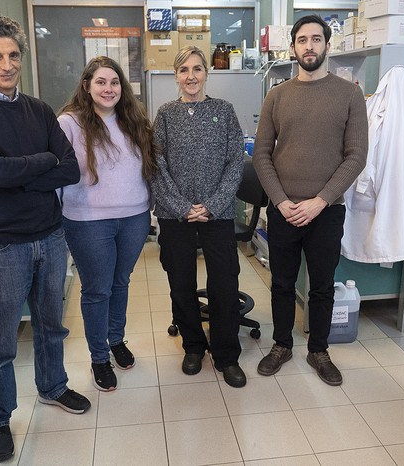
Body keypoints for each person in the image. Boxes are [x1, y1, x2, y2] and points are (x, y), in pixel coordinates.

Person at [0, 14, 91, 462]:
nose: (6, 64)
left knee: (52, 325)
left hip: (49, 237)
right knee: (0, 339)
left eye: (13, 55)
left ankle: (52, 386)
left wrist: (22, 172)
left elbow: (71, 168)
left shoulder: (40, 110)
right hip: (1, 244)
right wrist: (42, 164)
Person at [252, 15, 368, 386]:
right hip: (283, 209)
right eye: (302, 40)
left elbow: (356, 156)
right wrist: (282, 201)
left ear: (327, 46)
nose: (309, 46)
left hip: (326, 211)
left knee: (321, 285)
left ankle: (319, 350)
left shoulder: (349, 94)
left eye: (316, 39)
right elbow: (261, 155)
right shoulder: (277, 95)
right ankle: (281, 345)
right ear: (293, 48)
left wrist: (320, 200)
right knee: (282, 284)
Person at [57, 56, 158, 392]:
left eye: (114, 82)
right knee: (97, 289)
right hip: (88, 222)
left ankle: (116, 340)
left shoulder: (133, 119)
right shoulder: (69, 123)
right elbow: (57, 174)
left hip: (134, 217)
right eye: (100, 82)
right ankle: (99, 356)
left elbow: (146, 167)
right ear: (87, 86)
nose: (108, 88)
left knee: (120, 282)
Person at [151, 46, 246, 388]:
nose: (190, 76)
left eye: (197, 69)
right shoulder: (164, 115)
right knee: (181, 284)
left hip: (216, 215)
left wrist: (212, 204)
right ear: (175, 76)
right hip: (175, 216)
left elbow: (236, 162)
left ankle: (226, 355)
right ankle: (193, 346)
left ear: (207, 73)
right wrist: (181, 207)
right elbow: (157, 166)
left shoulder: (224, 111)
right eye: (183, 70)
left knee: (224, 284)